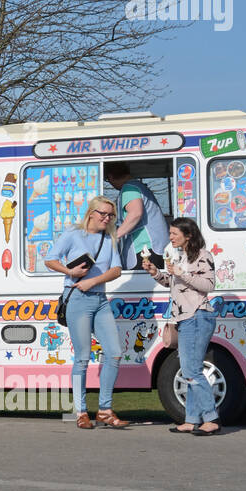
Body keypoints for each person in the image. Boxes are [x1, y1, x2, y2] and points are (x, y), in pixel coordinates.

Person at [44, 196, 128, 429]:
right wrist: (70, 271)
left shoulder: (109, 238)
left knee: (114, 353)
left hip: (99, 299)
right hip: (77, 300)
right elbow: (49, 259)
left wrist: (93, 282)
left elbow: (116, 270)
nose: (107, 218)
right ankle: (81, 412)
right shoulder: (73, 234)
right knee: (82, 357)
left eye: (111, 215)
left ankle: (104, 410)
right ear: (91, 212)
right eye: (103, 214)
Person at [147, 218, 219, 435]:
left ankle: (211, 418)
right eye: (170, 233)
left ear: (188, 236)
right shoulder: (181, 257)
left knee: (191, 370)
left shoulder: (203, 257)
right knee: (189, 370)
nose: (170, 237)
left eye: (174, 234)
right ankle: (191, 419)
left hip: (197, 316)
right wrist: (155, 272)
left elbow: (208, 285)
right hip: (185, 318)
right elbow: (173, 284)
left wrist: (181, 273)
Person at [105, 162, 168, 270]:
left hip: (146, 248)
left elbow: (135, 213)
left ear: (110, 177)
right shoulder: (139, 187)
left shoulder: (129, 189)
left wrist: (114, 237)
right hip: (157, 246)